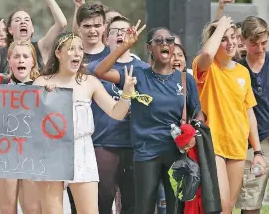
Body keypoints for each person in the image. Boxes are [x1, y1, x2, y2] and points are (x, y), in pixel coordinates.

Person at [95, 24, 202, 214]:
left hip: (176, 154)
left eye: (169, 41)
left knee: (176, 209)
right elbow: (100, 71)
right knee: (143, 209)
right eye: (158, 40)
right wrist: (125, 46)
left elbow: (198, 114)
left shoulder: (185, 79)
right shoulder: (138, 74)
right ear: (149, 48)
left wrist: (193, 134)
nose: (165, 43)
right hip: (146, 153)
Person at [33, 31, 136, 214]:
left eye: (80, 49)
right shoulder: (41, 82)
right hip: (51, 151)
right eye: (71, 49)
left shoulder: (90, 82)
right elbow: (30, 121)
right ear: (58, 53)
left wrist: (127, 93)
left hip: (82, 149)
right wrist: (43, 96)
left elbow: (116, 112)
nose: (77, 53)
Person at [192, 16, 266, 213]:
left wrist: (257, 152)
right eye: (224, 39)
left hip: (237, 146)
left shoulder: (242, 72)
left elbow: (249, 112)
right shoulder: (207, 68)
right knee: (220, 204)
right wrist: (221, 27)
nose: (231, 42)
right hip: (213, 146)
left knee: (229, 207)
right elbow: (207, 53)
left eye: (233, 37)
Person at [87, 15, 145, 214]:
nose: (120, 34)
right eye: (115, 31)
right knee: (103, 202)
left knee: (132, 204)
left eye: (125, 30)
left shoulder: (143, 69)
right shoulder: (95, 68)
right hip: (104, 142)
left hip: (134, 144)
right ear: (106, 38)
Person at [0, 40, 41, 214]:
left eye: (25, 56)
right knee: (7, 208)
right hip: (6, 153)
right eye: (16, 56)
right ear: (9, 61)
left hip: (33, 155)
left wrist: (51, 93)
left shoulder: (43, 87)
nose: (21, 60)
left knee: (33, 209)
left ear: (33, 61)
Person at [235, 16, 269, 214]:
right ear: (243, 41)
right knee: (250, 204)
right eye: (254, 44)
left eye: (264, 43)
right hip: (250, 144)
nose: (260, 48)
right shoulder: (237, 69)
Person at [0, 0, 67, 73]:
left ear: (32, 29)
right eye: (18, 20)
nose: (23, 22)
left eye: (27, 20)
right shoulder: (1, 53)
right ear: (10, 30)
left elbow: (62, 23)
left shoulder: (40, 47)